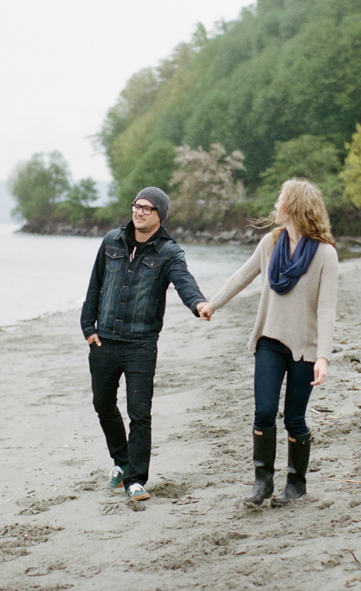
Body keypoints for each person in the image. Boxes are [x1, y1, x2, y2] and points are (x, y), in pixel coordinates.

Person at [199, 178, 338, 507]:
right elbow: (241, 276)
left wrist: (324, 357)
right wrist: (212, 304)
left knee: (294, 418)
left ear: (293, 208)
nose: (275, 206)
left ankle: (296, 484)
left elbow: (327, 307)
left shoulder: (325, 254)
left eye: (280, 201)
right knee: (263, 412)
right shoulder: (269, 244)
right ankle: (262, 482)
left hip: (305, 348)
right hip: (269, 342)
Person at [81, 187, 209, 501]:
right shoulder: (112, 240)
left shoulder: (168, 252)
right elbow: (95, 284)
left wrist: (198, 304)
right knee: (102, 404)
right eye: (136, 206)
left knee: (140, 413)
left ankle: (135, 479)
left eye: (147, 208)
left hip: (140, 344)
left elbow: (183, 281)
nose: (139, 212)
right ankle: (121, 461)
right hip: (104, 341)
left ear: (160, 215)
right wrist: (87, 326)